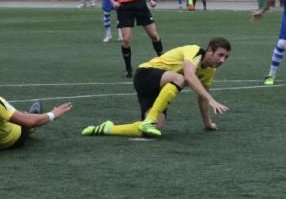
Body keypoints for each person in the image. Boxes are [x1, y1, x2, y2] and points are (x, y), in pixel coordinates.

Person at [81, 37, 231, 138]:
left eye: (226, 57)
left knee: (154, 129)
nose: (222, 60)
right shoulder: (195, 51)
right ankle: (150, 119)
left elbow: (202, 98)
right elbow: (190, 76)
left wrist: (207, 123)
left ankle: (107, 129)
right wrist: (211, 99)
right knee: (180, 78)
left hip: (160, 90)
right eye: (220, 55)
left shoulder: (210, 71)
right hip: (145, 75)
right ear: (210, 50)